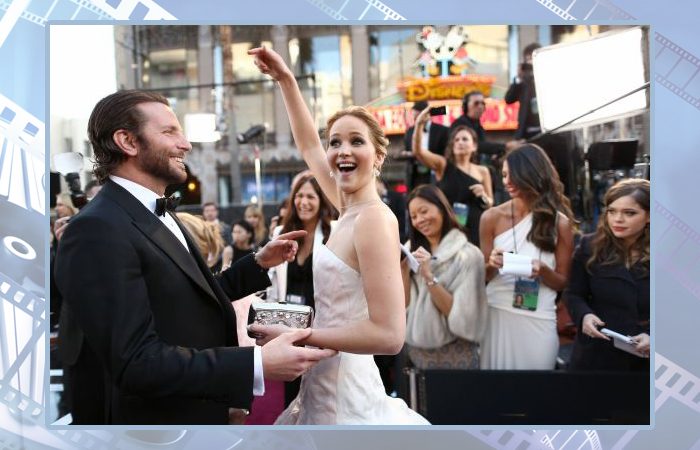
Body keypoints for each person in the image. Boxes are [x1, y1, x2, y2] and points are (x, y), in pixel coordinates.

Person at [54, 90, 336, 425]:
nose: (186, 144)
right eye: (169, 132)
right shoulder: (97, 228)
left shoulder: (154, 211)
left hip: (197, 416)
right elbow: (136, 361)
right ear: (127, 141)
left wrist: (257, 264)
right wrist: (256, 364)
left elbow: (189, 298)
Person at [248, 46, 429, 425]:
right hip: (321, 381)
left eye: (356, 141)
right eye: (335, 142)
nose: (343, 150)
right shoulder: (347, 209)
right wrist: (285, 79)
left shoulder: (373, 219)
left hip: (346, 393)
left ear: (379, 156)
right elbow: (307, 145)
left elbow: (389, 335)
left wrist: (303, 336)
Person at [479, 143, 575, 370]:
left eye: (514, 175)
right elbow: (483, 277)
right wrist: (492, 264)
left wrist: (543, 270)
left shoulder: (560, 223)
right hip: (497, 312)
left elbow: (563, 281)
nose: (507, 181)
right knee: (496, 387)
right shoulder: (491, 218)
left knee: (538, 386)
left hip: (539, 315)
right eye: (504, 175)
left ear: (533, 174)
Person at [565, 179, 650, 369]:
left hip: (645, 360)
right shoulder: (589, 246)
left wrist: (653, 335)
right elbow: (573, 293)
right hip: (596, 353)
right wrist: (584, 315)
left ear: (649, 216)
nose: (618, 219)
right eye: (612, 211)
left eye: (629, 213)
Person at [267, 173, 335, 407]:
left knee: (321, 394)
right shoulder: (281, 233)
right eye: (299, 196)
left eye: (310, 197)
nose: (303, 202)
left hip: (322, 327)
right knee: (292, 396)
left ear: (321, 201)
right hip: (288, 328)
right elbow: (274, 280)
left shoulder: (332, 233)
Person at [401, 185, 487, 370]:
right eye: (414, 216)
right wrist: (403, 270)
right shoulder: (410, 252)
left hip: (457, 354)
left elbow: (462, 318)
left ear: (441, 208)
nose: (420, 220)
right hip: (417, 355)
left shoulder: (469, 256)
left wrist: (428, 276)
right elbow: (404, 306)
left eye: (424, 211)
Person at [413, 106, 493, 247]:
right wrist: (419, 124)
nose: (460, 142)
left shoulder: (482, 171)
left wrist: (484, 196)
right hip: (450, 228)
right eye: (456, 140)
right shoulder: (443, 165)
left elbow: (490, 203)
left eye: (464, 139)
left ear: (474, 146)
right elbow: (418, 152)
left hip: (476, 227)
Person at [402, 100, 449, 189]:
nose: (417, 120)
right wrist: (407, 153)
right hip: (415, 175)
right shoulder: (410, 131)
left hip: (434, 173)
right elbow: (408, 149)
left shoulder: (443, 130)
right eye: (415, 117)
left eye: (419, 116)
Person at [505, 43, 542, 140]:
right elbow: (509, 99)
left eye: (532, 59)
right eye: (527, 60)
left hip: (547, 131)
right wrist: (519, 77)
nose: (530, 63)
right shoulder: (524, 82)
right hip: (527, 133)